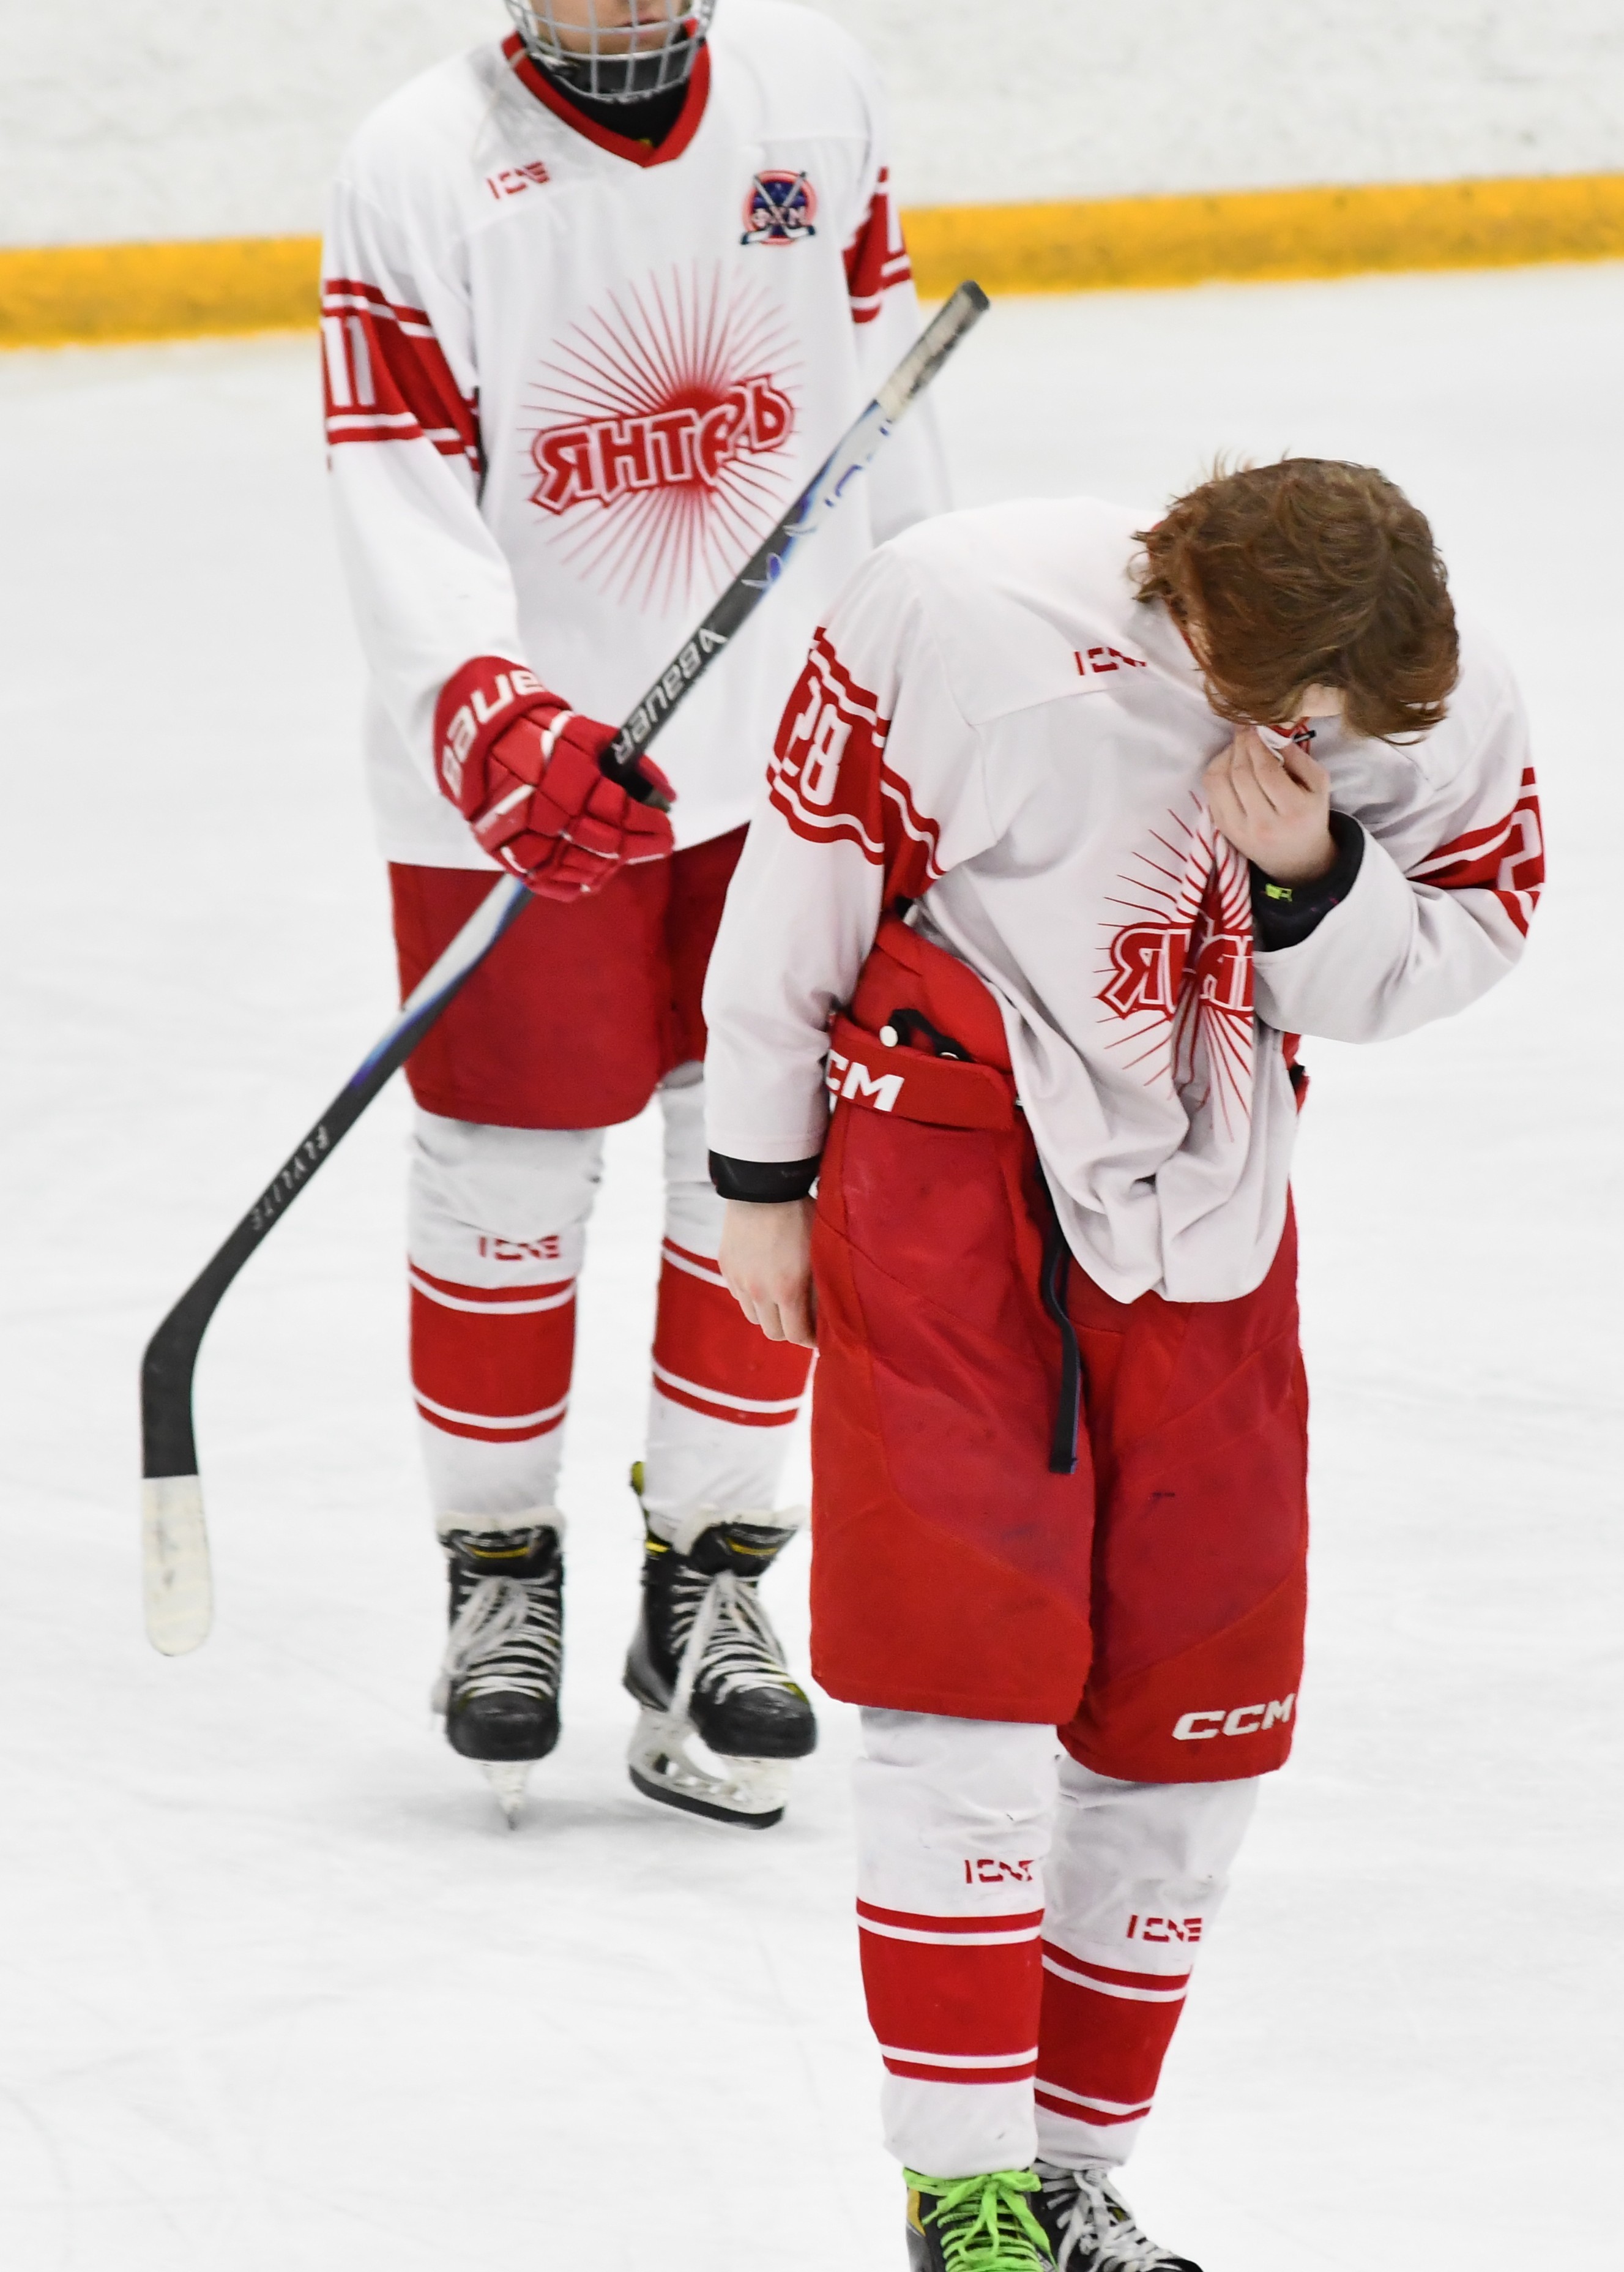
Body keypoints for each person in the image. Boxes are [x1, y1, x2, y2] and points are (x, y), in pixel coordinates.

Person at [704, 459, 1542, 2265]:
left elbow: (1474, 926)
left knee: (1197, 1705)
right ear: (1208, 619)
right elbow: (798, 897)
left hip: (1211, 1191)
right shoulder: (960, 612)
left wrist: (1314, 879)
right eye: (1296, 703)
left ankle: (1075, 2173)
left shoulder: (1431, 694)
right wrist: (761, 1185)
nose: (1328, 731)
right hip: (941, 1172)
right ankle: (968, 2192)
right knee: (963, 1686)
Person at [319, 0, 945, 1825]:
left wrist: (929, 682)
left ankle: (715, 1582)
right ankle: (498, 1578)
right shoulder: (417, 164)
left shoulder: (817, 93)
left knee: (754, 1158)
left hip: (792, 755)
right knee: (508, 1166)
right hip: (516, 774)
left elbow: (877, 407)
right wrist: (491, 712)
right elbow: (395, 474)